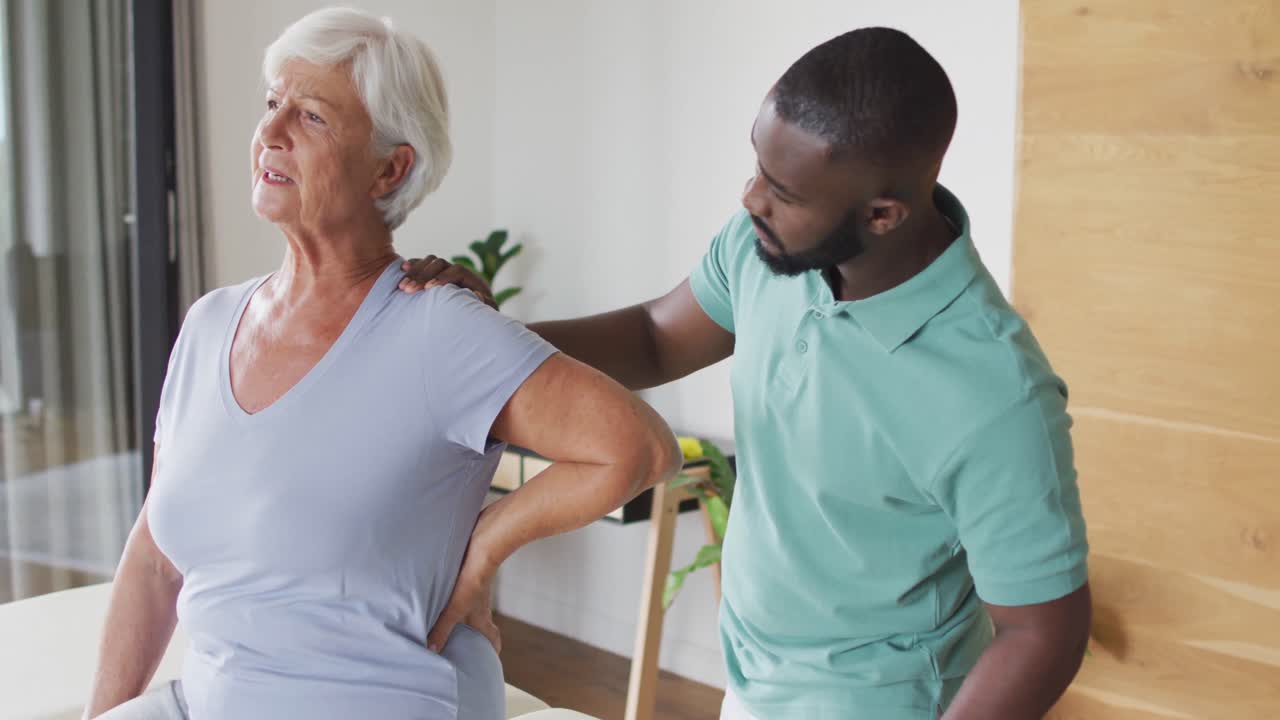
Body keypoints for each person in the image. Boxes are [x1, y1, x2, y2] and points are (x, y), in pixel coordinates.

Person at [404, 27, 1091, 720]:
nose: (751, 198)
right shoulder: (768, 249)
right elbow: (654, 337)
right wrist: (479, 339)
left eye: (783, 191)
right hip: (753, 683)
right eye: (758, 165)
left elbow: (1042, 633)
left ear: (882, 214)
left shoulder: (994, 392)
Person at [84, 9, 681, 720]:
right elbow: (155, 559)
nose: (271, 132)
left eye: (311, 116)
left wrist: (483, 548)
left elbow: (639, 449)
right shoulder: (209, 324)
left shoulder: (438, 329)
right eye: (272, 102)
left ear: (390, 168)